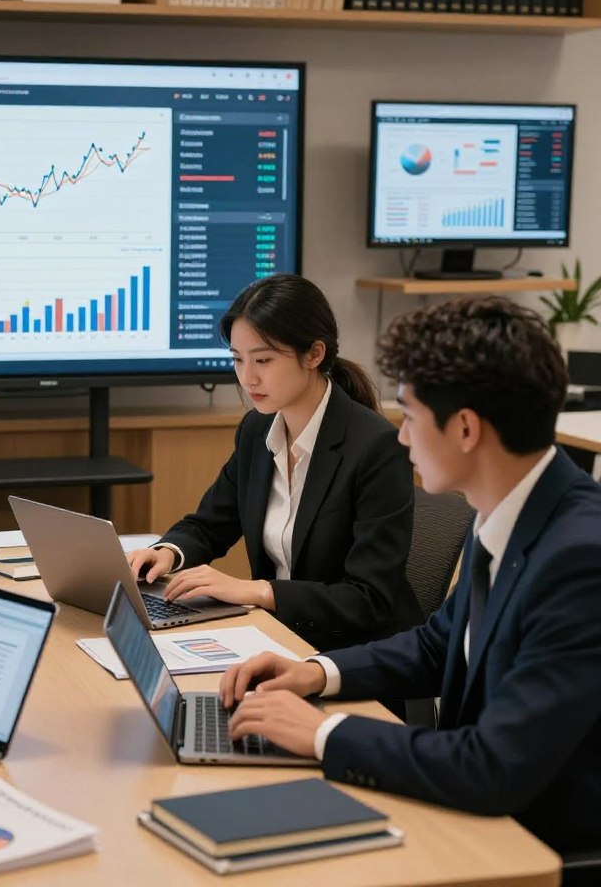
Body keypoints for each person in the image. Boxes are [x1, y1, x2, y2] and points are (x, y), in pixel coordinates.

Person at [219, 295, 601, 856]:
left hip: (530, 846)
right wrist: (314, 673)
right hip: (469, 806)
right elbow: (435, 645)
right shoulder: (507, 508)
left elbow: (493, 767)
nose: (401, 437)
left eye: (412, 417)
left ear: (466, 429)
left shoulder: (579, 560)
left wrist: (321, 733)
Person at [128, 274, 421, 651]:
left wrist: (257, 591)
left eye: (263, 359)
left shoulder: (375, 447)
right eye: (237, 359)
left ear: (314, 355)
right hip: (278, 638)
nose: (248, 377)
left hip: (351, 655)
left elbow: (368, 598)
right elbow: (210, 524)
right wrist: (166, 553)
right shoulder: (257, 429)